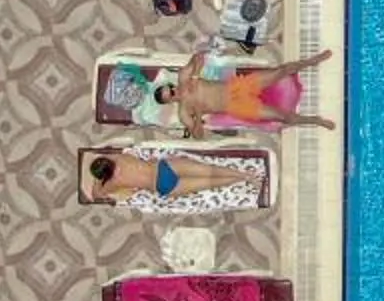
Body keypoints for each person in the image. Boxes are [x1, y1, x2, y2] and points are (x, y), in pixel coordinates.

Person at [161, 47, 337, 134]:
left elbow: (198, 56)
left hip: (236, 86)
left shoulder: (184, 78)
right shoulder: (184, 112)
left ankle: (312, 61)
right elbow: (198, 135)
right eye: (171, 95)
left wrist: (195, 76)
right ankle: (315, 120)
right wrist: (198, 115)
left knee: (280, 71)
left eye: (170, 88)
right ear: (170, 101)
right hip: (235, 105)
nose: (174, 90)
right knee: (281, 116)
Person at [82, 146, 263, 204]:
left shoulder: (112, 183)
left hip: (162, 186)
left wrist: (100, 181)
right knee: (210, 170)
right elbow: (101, 155)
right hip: (163, 167)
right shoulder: (119, 158)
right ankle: (247, 175)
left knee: (209, 182)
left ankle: (246, 178)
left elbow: (96, 194)